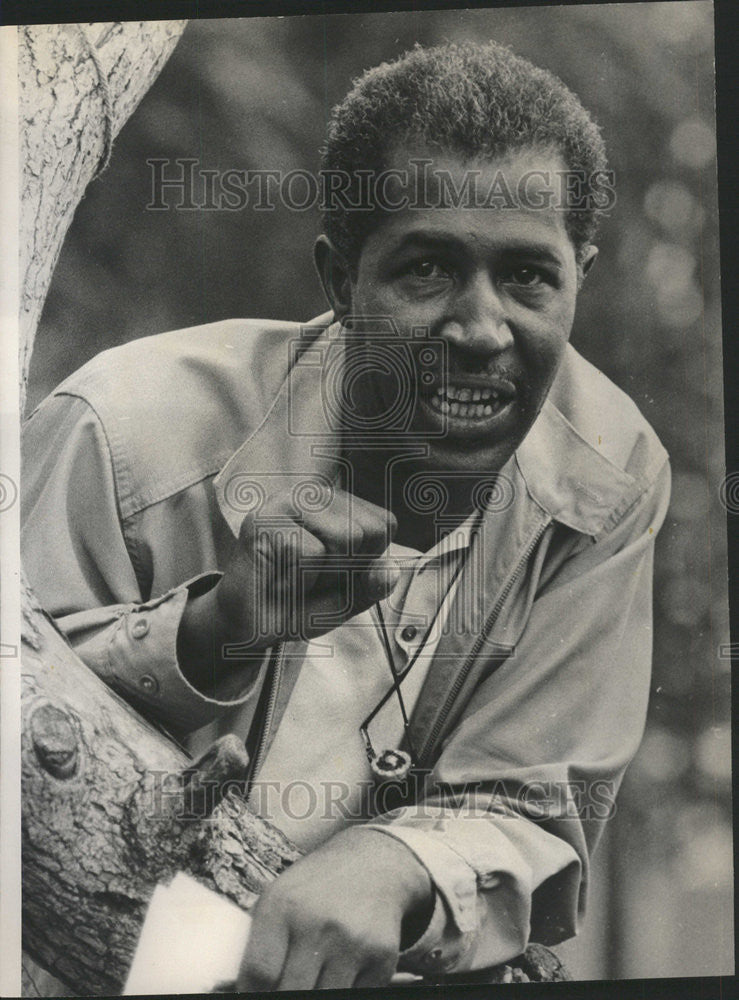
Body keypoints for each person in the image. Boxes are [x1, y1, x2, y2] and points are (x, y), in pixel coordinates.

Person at [21, 41, 670, 990]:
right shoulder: (123, 431)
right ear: (338, 280)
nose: (481, 330)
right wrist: (213, 633)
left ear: (581, 275)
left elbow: (536, 801)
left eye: (529, 277)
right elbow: (16, 724)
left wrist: (399, 864)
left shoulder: (609, 476)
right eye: (427, 269)